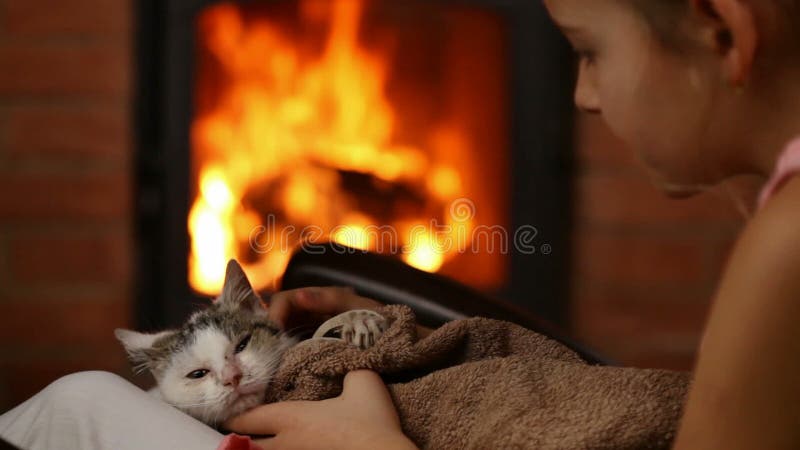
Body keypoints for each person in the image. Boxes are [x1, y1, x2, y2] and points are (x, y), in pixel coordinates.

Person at [2, 0, 800, 448]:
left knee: (80, 404)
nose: (583, 95)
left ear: (722, 30)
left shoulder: (786, 250)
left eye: (587, 52)